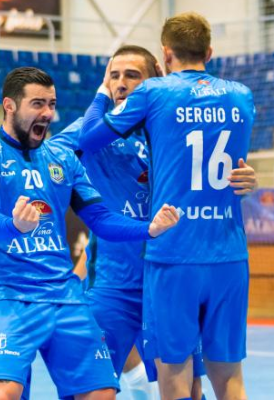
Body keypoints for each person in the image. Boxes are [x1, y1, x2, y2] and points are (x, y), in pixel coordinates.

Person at [0, 46, 257, 400]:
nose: (120, 84)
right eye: (113, 76)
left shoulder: (174, 126)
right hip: (113, 284)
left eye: (132, 75)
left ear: (156, 78)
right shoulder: (93, 130)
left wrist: (246, 179)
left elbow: (213, 174)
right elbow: (30, 155)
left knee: (189, 386)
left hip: (169, 274)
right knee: (98, 387)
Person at [0, 66, 180, 400]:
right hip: (11, 294)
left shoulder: (63, 158)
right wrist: (15, 225)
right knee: (3, 394)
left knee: (102, 393)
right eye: (37, 104)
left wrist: (149, 228)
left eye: (52, 104)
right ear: (9, 106)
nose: (48, 113)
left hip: (65, 294)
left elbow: (100, 219)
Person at [80, 12, 255, 400]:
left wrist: (103, 91)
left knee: (174, 377)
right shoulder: (242, 95)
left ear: (166, 54)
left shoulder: (155, 93)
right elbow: (232, 164)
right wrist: (250, 178)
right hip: (229, 253)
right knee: (230, 379)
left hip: (174, 253)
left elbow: (89, 136)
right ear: (209, 52)